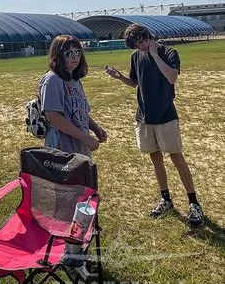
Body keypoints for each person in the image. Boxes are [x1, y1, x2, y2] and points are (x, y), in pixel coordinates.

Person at [103, 24, 202, 224]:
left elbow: (172, 77)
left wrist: (155, 55)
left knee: (176, 157)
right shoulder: (136, 56)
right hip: (144, 116)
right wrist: (119, 77)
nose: (141, 47)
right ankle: (166, 199)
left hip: (166, 115)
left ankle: (194, 203)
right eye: (136, 46)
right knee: (155, 158)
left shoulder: (168, 52)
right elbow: (134, 83)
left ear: (149, 36)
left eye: (142, 42)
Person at [39, 35, 108, 159]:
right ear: (58, 56)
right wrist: (84, 137)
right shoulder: (52, 80)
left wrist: (95, 127)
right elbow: (53, 116)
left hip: (80, 146)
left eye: (78, 52)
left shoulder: (75, 80)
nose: (75, 57)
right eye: (69, 53)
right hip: (62, 147)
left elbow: (80, 111)